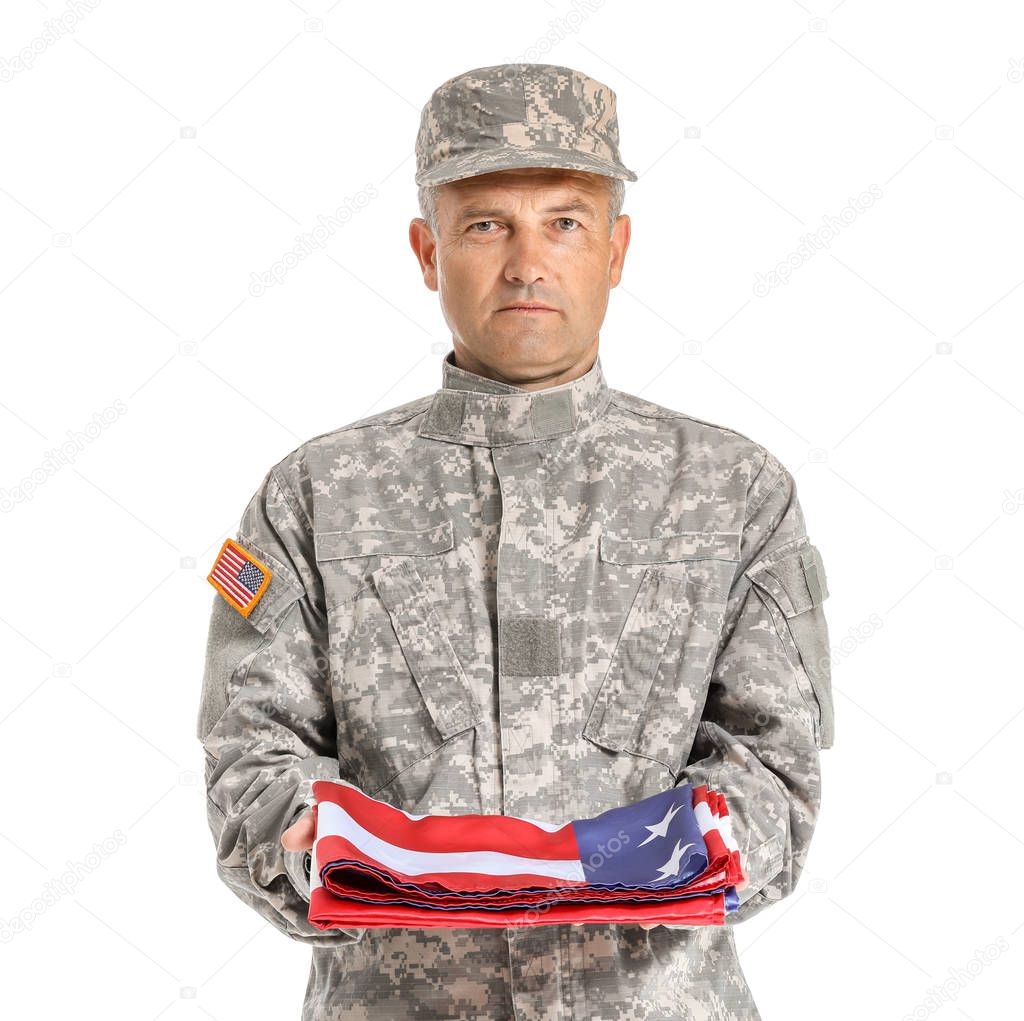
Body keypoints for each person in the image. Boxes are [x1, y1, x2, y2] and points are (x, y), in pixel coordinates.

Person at [197, 62, 835, 1021]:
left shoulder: (733, 493)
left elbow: (775, 776)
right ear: (426, 249)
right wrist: (355, 856)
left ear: (617, 249)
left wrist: (594, 866)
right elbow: (251, 757)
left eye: (566, 222)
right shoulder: (313, 497)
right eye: (486, 224)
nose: (528, 262)